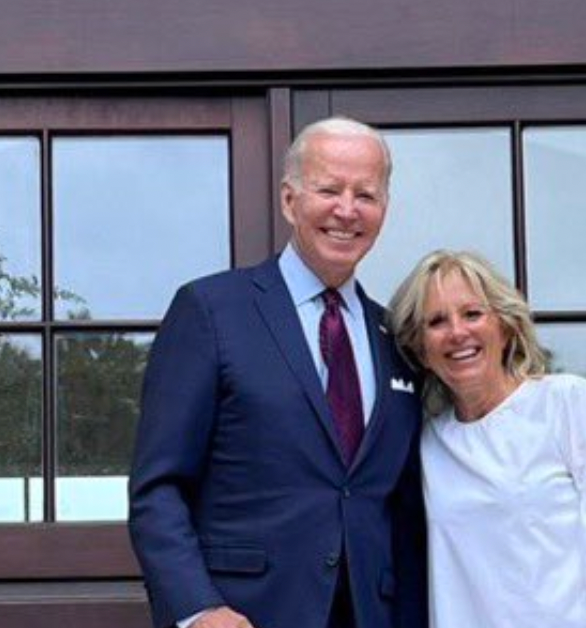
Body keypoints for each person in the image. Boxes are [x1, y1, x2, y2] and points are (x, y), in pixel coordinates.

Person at [129, 117, 426, 628]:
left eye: (366, 194)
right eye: (329, 189)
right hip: (245, 614)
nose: (347, 210)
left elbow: (402, 509)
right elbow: (159, 488)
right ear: (290, 200)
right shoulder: (211, 310)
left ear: (384, 210)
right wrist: (198, 609)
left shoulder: (394, 335)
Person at [389, 250, 586, 628]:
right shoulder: (429, 444)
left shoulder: (563, 403)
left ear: (505, 325)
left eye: (472, 314)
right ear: (421, 349)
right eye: (436, 321)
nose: (457, 332)